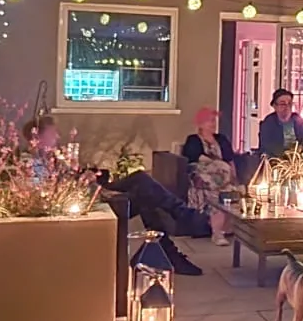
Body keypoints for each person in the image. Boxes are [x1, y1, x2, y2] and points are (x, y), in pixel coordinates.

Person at [27, 115, 206, 274]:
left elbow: (68, 180)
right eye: (53, 133)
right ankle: (181, 230)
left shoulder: (51, 158)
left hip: (96, 193)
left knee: (140, 178)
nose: (57, 137)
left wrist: (84, 176)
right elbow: (49, 195)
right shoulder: (33, 164)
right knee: (146, 197)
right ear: (38, 137)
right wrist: (80, 184)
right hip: (91, 205)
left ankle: (180, 229)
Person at [183, 106, 240, 246]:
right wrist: (217, 165)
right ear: (201, 124)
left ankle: (226, 229)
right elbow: (194, 158)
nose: (213, 124)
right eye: (210, 121)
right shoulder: (193, 140)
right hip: (204, 177)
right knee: (216, 191)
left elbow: (229, 160)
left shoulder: (221, 139)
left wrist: (234, 176)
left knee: (229, 190)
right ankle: (217, 233)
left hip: (222, 178)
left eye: (214, 121)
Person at [257, 88, 303, 157]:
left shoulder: (298, 121)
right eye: (283, 104)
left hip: (298, 160)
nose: (287, 107)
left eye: (289, 103)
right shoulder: (268, 123)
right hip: (275, 162)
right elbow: (267, 146)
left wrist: (301, 151)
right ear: (275, 106)